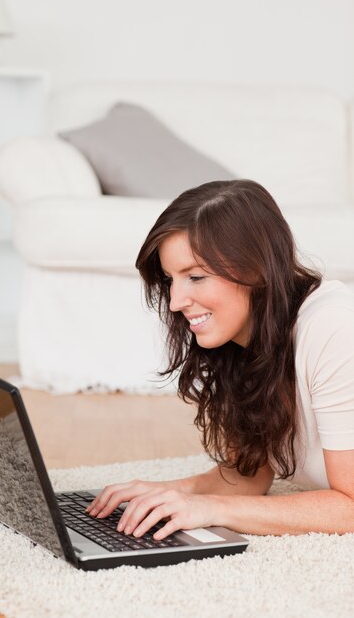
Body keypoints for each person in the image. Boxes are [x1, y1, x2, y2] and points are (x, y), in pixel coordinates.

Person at [86, 179, 354, 541]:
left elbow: (350, 504)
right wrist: (171, 493)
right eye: (170, 280)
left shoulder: (333, 327)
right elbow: (250, 473)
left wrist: (210, 509)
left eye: (196, 277)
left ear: (255, 269)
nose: (176, 301)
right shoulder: (241, 339)